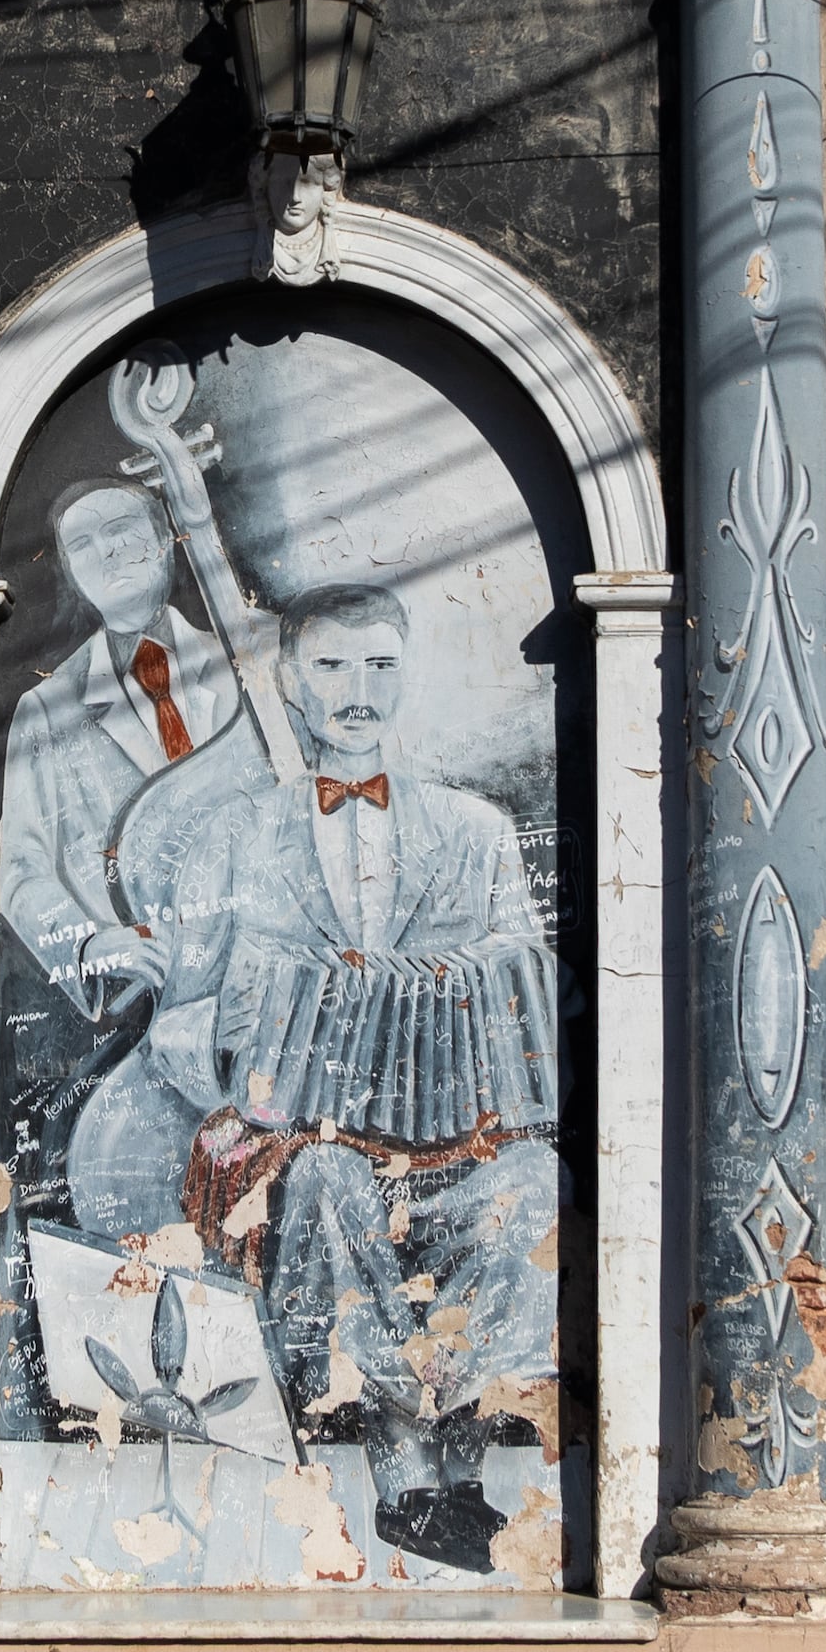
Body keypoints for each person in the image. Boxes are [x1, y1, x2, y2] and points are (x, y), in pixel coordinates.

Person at [166, 583, 560, 1576]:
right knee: (335, 1193)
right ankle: (401, 1482)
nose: (357, 690)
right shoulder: (234, 836)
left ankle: (461, 1471)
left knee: (528, 1190)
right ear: (290, 682)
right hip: (310, 1138)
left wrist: (452, 989)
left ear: (407, 676)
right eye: (332, 666)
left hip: (450, 1137)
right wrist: (248, 1063)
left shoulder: (474, 831)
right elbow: (178, 1016)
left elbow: (526, 983)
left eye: (379, 665)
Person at [0, 476, 272, 1250]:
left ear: (166, 539)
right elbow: (20, 871)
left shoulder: (249, 666)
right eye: (84, 544)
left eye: (121, 529)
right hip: (139, 1010)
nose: (107, 552)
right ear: (72, 573)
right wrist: (89, 943)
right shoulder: (47, 710)